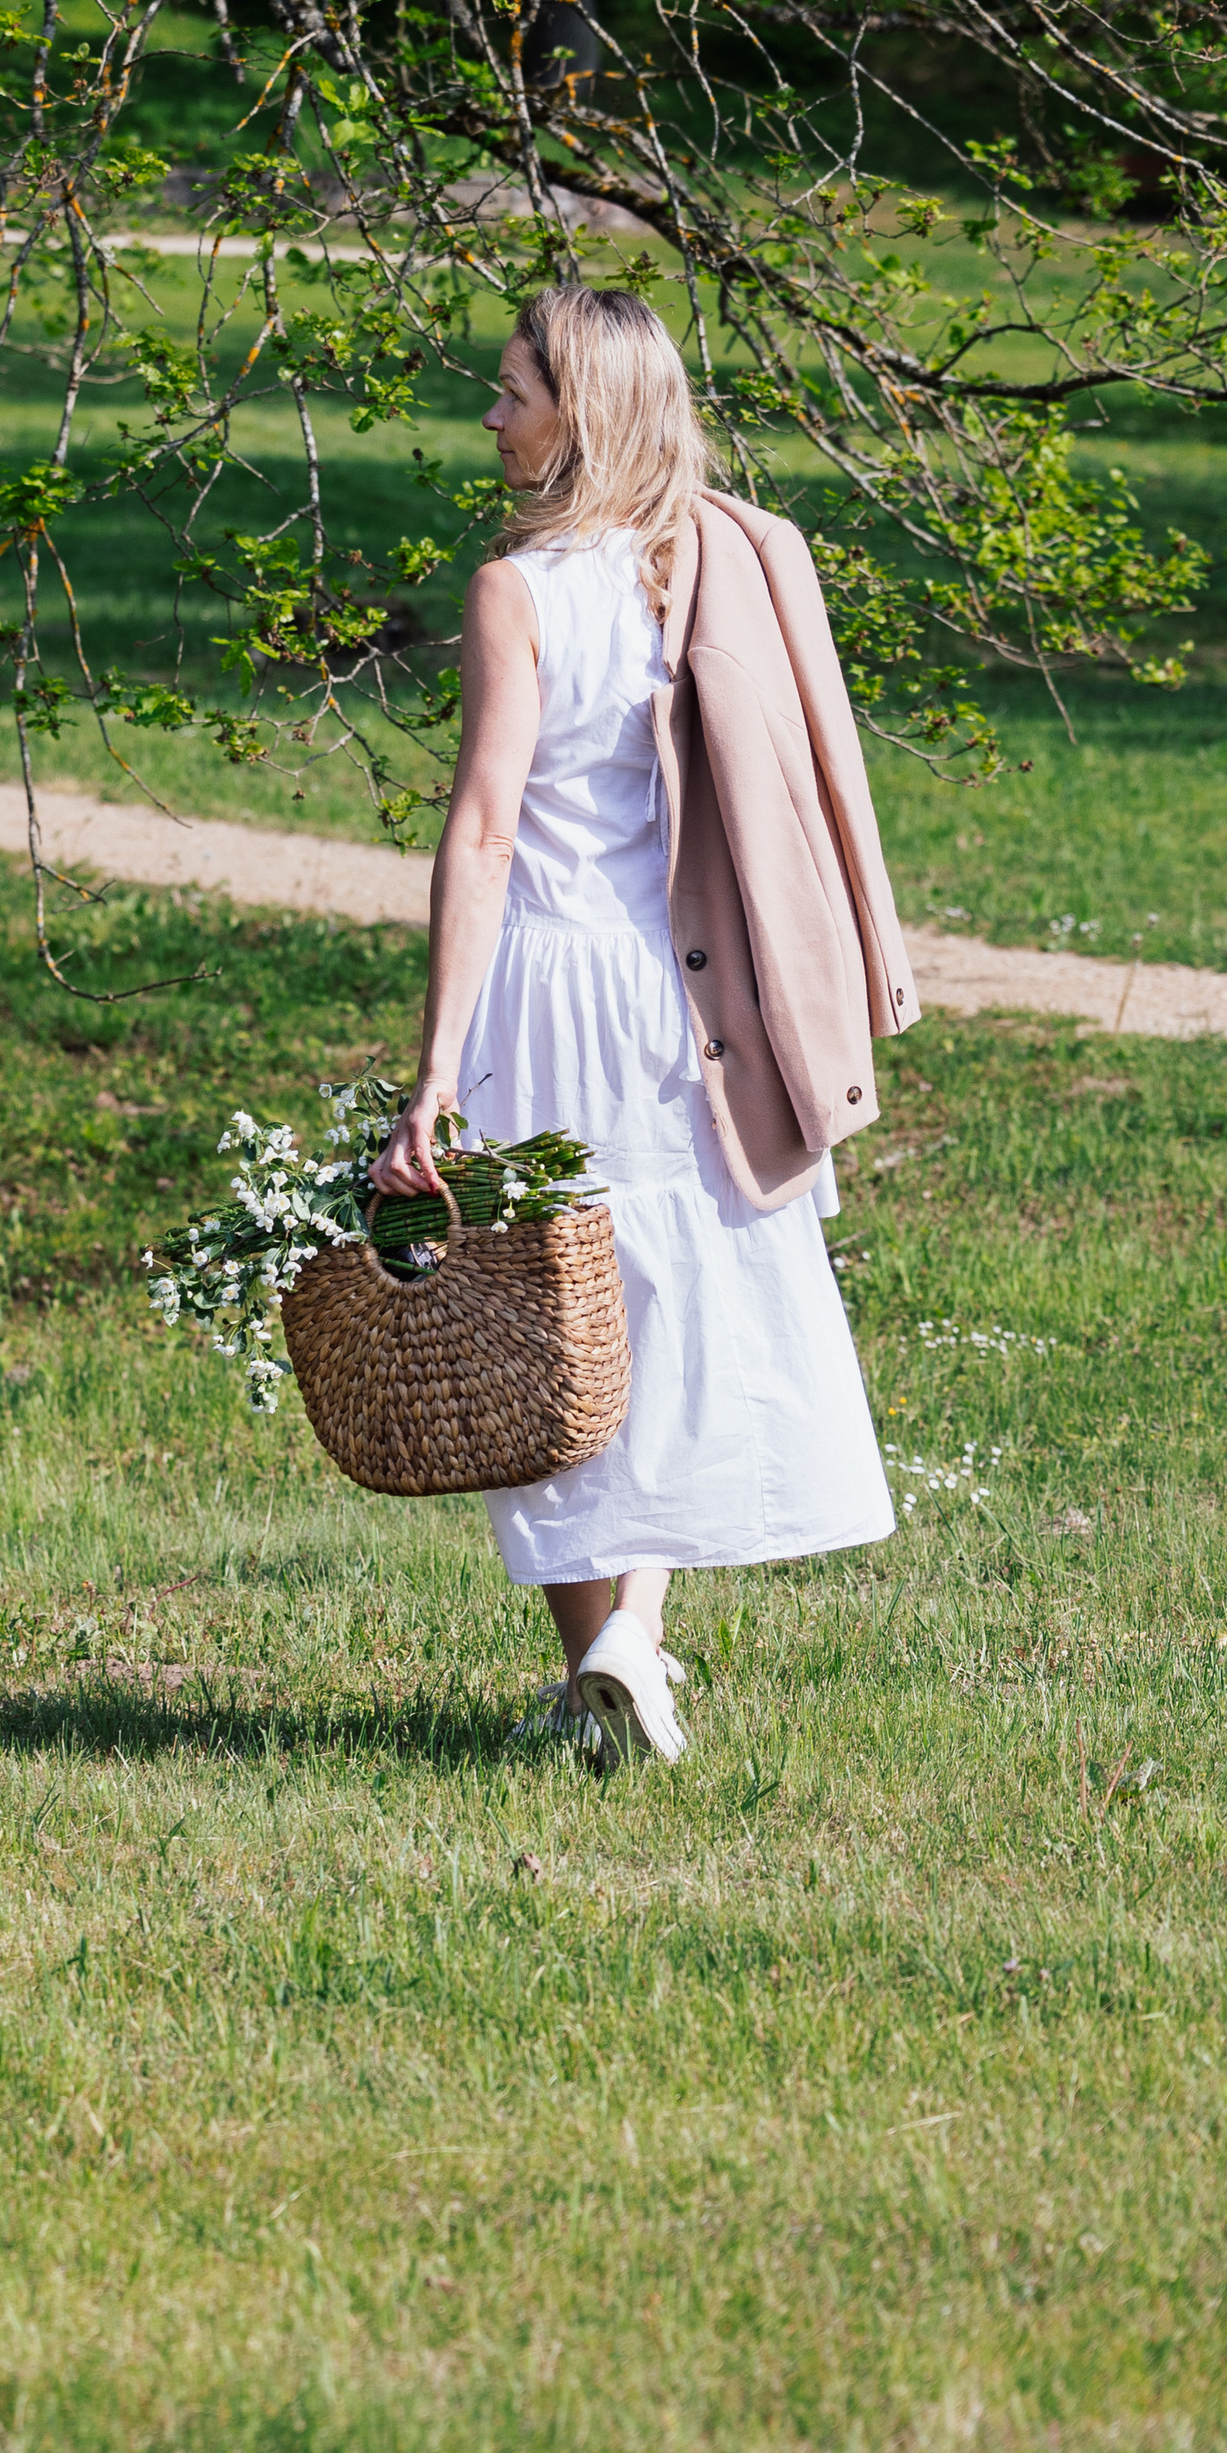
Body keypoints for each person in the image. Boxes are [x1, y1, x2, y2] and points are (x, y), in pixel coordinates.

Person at [371, 286, 906, 1767]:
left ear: (579, 412)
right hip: (679, 992)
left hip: (544, 987)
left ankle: (603, 1651)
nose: (491, 414)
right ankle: (629, 1649)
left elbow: (482, 834)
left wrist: (430, 1073)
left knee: (537, 1324)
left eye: (512, 389)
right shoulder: (701, 570)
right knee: (663, 1314)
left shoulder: (516, 590)